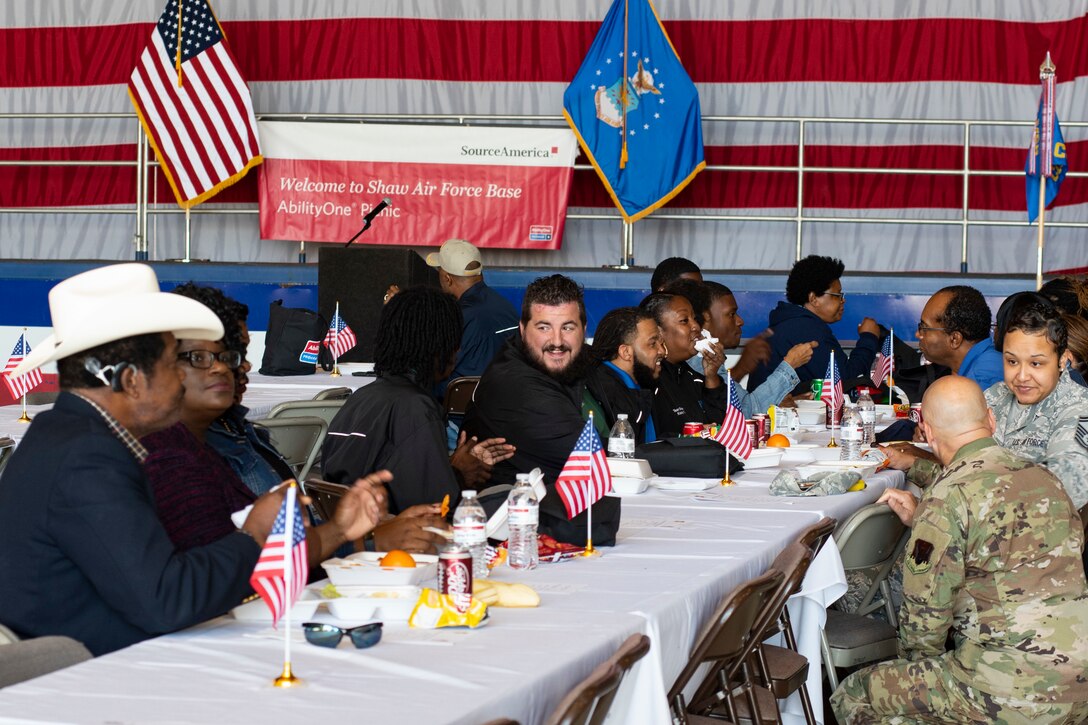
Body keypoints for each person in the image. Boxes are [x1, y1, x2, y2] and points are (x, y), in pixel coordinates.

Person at [0, 264, 387, 656]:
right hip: (87, 682)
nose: (181, 379)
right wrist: (254, 536)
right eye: (173, 364)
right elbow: (167, 600)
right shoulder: (88, 456)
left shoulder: (65, 435)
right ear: (132, 380)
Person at [832, 376, 1088, 724]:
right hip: (1078, 688)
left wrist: (917, 675)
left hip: (1006, 692)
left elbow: (924, 627)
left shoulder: (947, 500)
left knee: (854, 692)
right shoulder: (1045, 479)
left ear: (926, 432)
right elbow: (994, 517)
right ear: (992, 421)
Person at [174, 283, 450, 555]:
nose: (237, 366)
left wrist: (358, 532)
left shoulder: (242, 432)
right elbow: (226, 570)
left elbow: (302, 548)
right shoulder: (173, 458)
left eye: (237, 354)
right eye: (201, 357)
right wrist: (368, 540)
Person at [322, 286, 514, 515]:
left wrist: (453, 464)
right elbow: (433, 509)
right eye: (453, 341)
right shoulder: (416, 408)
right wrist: (460, 474)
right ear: (437, 347)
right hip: (394, 540)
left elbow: (398, 474)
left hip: (351, 531)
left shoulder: (361, 398)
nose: (458, 349)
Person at [462, 274, 622, 545]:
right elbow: (596, 458)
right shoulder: (517, 385)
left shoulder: (574, 365)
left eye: (568, 327)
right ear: (522, 330)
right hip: (515, 536)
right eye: (544, 327)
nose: (557, 341)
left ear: (584, 329)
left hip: (559, 516)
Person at [885, 302, 1088, 511]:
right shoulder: (995, 396)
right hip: (983, 530)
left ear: (1063, 360)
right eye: (1012, 362)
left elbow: (1061, 493)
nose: (1022, 376)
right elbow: (968, 469)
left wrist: (937, 514)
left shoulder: (1077, 409)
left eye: (1036, 364)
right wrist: (914, 467)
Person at [747, 255, 881, 391]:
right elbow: (846, 380)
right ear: (814, 299)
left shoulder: (793, 322)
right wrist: (869, 337)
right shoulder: (805, 329)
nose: (843, 300)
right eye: (838, 295)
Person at [689, 281, 816, 417]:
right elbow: (746, 410)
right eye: (731, 314)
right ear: (706, 316)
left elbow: (733, 402)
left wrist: (775, 403)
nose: (740, 321)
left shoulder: (707, 356)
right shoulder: (699, 359)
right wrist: (790, 364)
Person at [426, 238, 519, 400]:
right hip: (506, 404)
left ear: (447, 278)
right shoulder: (507, 307)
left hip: (462, 411)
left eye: (439, 269)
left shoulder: (457, 316)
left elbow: (437, 372)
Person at [640, 292, 728, 437]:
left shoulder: (691, 376)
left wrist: (712, 377)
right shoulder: (648, 380)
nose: (696, 327)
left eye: (694, 318)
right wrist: (690, 436)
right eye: (684, 321)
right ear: (657, 332)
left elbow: (721, 426)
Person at [584, 307, 664, 443]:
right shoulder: (608, 393)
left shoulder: (637, 385)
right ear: (626, 352)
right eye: (652, 344)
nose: (662, 350)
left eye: (660, 343)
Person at [915, 285, 1003, 390]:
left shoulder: (982, 378)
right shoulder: (983, 362)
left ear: (954, 339)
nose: (918, 334)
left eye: (924, 328)